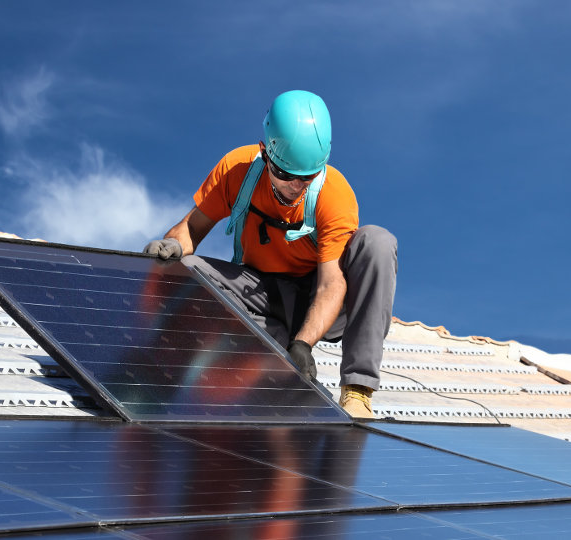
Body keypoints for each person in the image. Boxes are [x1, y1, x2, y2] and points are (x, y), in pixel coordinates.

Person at [143, 90, 397, 418]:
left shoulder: (335, 196)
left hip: (323, 301)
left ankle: (358, 390)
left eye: (306, 178)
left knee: (377, 242)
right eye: (285, 175)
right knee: (187, 268)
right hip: (263, 295)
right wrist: (174, 247)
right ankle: (182, 365)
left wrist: (304, 344)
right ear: (265, 152)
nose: (295, 186)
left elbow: (331, 283)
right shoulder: (236, 170)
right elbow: (191, 229)